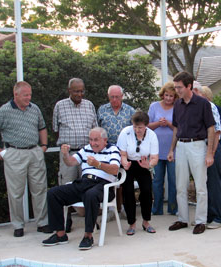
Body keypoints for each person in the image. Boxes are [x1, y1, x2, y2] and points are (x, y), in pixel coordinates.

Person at [0, 81, 51, 237]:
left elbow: (42, 127)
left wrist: (43, 146)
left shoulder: (34, 108)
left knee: (40, 189)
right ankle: (18, 225)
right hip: (14, 153)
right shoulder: (5, 110)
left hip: (34, 152)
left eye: (30, 94)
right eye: (25, 95)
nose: (29, 98)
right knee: (16, 192)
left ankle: (42, 223)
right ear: (16, 94)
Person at [42, 127, 121, 250]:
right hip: (84, 182)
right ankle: (60, 234)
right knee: (53, 193)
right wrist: (65, 154)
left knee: (90, 195)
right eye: (90, 140)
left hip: (103, 185)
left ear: (105, 140)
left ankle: (88, 236)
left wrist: (97, 164)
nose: (93, 143)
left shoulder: (113, 149)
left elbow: (115, 169)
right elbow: (71, 162)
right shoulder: (86, 149)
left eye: (96, 140)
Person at [167, 72, 215, 235]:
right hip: (181, 146)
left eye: (179, 87)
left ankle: (201, 221)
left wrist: (210, 154)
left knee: (201, 186)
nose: (177, 90)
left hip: (198, 146)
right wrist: (171, 150)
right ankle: (183, 219)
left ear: (189, 86)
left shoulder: (203, 103)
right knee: (180, 186)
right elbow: (175, 128)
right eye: (175, 87)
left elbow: (211, 128)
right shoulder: (177, 104)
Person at [52, 78, 98, 232]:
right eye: (76, 91)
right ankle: (66, 221)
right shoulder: (60, 106)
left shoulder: (89, 105)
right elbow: (55, 129)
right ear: (69, 90)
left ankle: (90, 222)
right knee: (66, 186)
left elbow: (95, 128)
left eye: (82, 90)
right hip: (69, 153)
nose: (80, 94)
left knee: (88, 186)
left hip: (86, 154)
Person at [117, 111, 159, 235]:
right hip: (129, 163)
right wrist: (124, 163)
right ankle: (132, 224)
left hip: (144, 163)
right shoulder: (126, 132)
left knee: (146, 191)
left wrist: (149, 165)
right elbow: (122, 154)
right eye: (135, 127)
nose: (137, 130)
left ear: (146, 125)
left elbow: (155, 158)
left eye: (140, 127)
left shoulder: (152, 135)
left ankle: (146, 222)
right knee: (128, 192)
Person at [98, 85, 135, 215]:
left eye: (117, 97)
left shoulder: (130, 110)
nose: (114, 100)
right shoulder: (102, 110)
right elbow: (98, 129)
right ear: (108, 97)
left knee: (126, 180)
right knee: (108, 179)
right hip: (107, 152)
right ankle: (110, 208)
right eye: (112, 97)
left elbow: (135, 131)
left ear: (122, 97)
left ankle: (125, 207)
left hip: (125, 152)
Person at [193, 81, 221, 229]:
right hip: (200, 150)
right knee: (203, 185)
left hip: (211, 149)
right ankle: (207, 216)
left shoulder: (209, 107)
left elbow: (216, 133)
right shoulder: (195, 108)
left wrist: (210, 153)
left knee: (213, 184)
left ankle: (218, 217)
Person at [148, 82, 178, 215]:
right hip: (156, 151)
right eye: (166, 95)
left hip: (173, 150)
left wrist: (169, 124)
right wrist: (158, 123)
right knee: (157, 181)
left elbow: (179, 128)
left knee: (173, 181)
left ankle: (173, 208)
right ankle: (157, 209)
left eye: (171, 96)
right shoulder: (154, 106)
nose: (168, 98)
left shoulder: (178, 107)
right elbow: (147, 126)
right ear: (162, 94)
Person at [202, 86, 221, 217]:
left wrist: (212, 152)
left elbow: (217, 131)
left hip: (217, 149)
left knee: (219, 180)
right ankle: (210, 210)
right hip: (206, 150)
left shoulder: (214, 108)